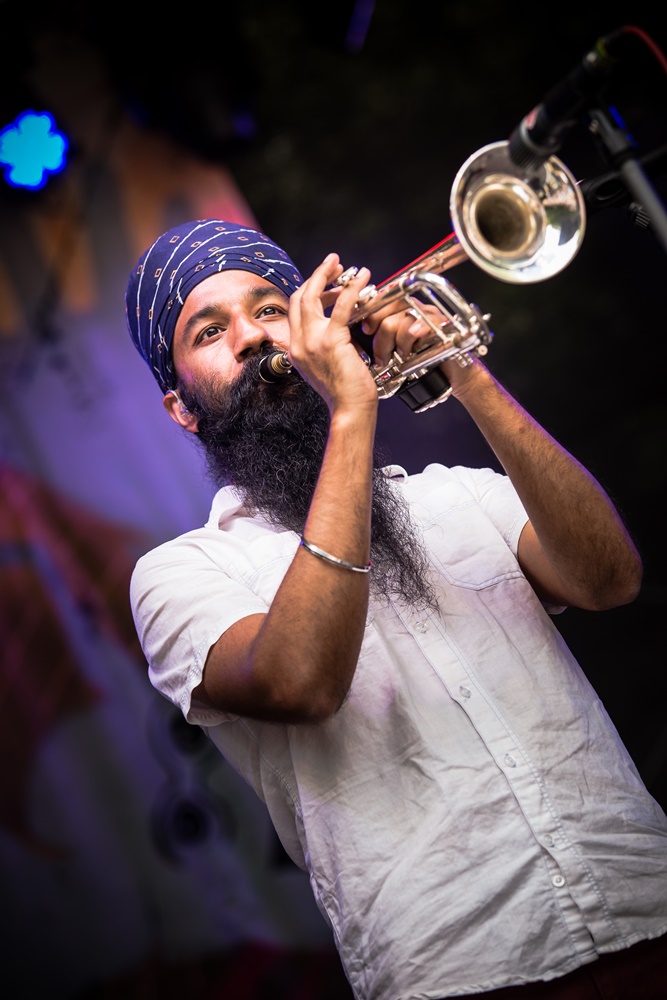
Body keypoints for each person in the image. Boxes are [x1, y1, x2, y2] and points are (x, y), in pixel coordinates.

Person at [125, 219, 667, 1000]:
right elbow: (300, 682)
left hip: (644, 902)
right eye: (210, 330)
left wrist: (459, 366)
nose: (250, 338)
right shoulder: (179, 574)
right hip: (460, 970)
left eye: (270, 309)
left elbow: (608, 578)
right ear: (180, 407)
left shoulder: (455, 494)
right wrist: (351, 411)